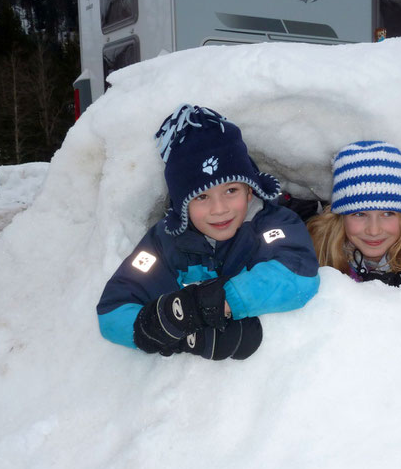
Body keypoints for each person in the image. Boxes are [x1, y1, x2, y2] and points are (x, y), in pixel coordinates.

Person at [97, 104, 320, 360]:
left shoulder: (272, 224)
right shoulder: (164, 244)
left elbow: (299, 277)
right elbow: (112, 312)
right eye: (201, 196)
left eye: (231, 191)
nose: (219, 209)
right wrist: (173, 330)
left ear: (250, 189)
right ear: (182, 203)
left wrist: (218, 302)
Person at [307, 140, 401, 286]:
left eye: (387, 214)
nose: (374, 230)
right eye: (360, 214)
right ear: (341, 217)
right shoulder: (317, 253)